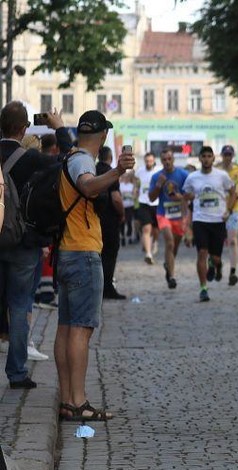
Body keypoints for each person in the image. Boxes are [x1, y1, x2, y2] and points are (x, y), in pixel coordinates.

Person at [56, 110, 134, 420]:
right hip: (82, 251)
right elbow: (89, 187)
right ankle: (77, 401)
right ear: (103, 136)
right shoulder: (83, 161)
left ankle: (66, 399)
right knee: (81, 329)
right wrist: (117, 172)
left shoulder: (71, 156)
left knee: (66, 328)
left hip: (66, 250)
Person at [0, 103, 71, 389]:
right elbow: (70, 161)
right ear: (24, 128)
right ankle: (16, 372)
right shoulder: (29, 159)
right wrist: (59, 128)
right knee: (19, 304)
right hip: (21, 241)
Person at [183, 146, 237, 301]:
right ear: (199, 158)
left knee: (215, 257)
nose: (206, 159)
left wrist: (228, 209)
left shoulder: (222, 176)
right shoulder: (192, 177)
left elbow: (233, 192)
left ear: (214, 158)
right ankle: (203, 288)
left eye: (209, 156)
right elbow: (185, 196)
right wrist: (186, 222)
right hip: (200, 220)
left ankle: (217, 265)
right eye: (203, 156)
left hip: (218, 220)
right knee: (201, 253)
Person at [148, 149, 190, 289]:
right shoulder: (156, 177)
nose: (167, 162)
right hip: (163, 213)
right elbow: (151, 198)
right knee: (170, 243)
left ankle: (168, 264)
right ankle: (172, 277)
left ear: (173, 159)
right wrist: (159, 185)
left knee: (175, 247)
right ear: (161, 161)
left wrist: (181, 198)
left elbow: (190, 195)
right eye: (164, 159)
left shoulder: (183, 174)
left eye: (169, 159)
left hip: (179, 215)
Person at [96, 146, 127, 300]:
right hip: (109, 220)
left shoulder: (93, 170)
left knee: (98, 254)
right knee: (110, 253)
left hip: (95, 219)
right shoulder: (111, 173)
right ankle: (107, 287)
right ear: (110, 157)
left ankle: (97, 287)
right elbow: (115, 198)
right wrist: (122, 213)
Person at [215, 145, 238, 286]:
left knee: (233, 240)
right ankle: (217, 265)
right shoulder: (216, 169)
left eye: (230, 154)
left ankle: (233, 271)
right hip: (218, 210)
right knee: (218, 241)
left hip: (234, 209)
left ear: (233, 155)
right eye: (225, 154)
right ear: (222, 155)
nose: (228, 157)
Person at [135, 152, 160, 264]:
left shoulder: (158, 172)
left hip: (156, 203)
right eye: (147, 161)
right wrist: (135, 191)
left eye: (150, 161)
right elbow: (136, 183)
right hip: (143, 202)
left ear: (154, 161)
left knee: (156, 230)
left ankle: (154, 242)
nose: (148, 163)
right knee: (146, 229)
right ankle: (148, 254)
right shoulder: (140, 171)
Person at [119, 171, 137, 245]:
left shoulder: (131, 185)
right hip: (122, 205)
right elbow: (118, 194)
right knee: (122, 222)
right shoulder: (120, 185)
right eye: (124, 176)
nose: (126, 178)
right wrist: (122, 196)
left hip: (130, 205)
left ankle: (129, 236)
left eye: (127, 177)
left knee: (129, 221)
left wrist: (131, 195)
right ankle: (122, 237)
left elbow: (135, 195)